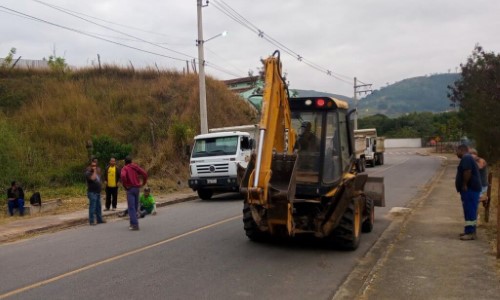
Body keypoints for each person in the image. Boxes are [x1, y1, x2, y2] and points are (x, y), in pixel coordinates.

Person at [455, 144, 482, 240]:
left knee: (470, 210)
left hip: (470, 189)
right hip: (470, 189)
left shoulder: (466, 158)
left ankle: (470, 233)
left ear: (461, 150)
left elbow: (467, 171)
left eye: (457, 151)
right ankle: (469, 230)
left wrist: (464, 184)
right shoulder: (468, 158)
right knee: (468, 210)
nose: (456, 153)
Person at [120, 156, 148, 231]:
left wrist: (125, 185)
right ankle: (132, 222)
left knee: (131, 207)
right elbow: (144, 174)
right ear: (131, 161)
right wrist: (143, 183)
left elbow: (123, 176)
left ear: (125, 162)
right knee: (135, 207)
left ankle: (135, 225)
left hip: (130, 189)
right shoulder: (135, 167)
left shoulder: (125, 168)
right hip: (137, 188)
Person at [85, 160, 106, 225]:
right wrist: (94, 171)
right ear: (90, 166)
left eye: (95, 165)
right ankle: (92, 221)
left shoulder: (97, 172)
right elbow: (93, 178)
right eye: (93, 166)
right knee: (93, 207)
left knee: (98, 207)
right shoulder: (88, 173)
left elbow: (99, 180)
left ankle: (99, 219)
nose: (94, 167)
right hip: (92, 192)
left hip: (97, 192)